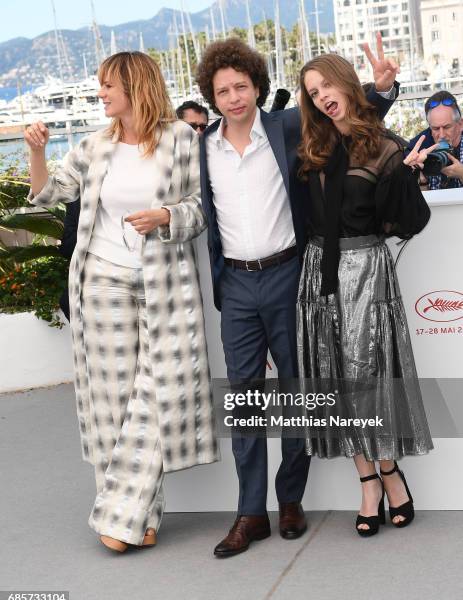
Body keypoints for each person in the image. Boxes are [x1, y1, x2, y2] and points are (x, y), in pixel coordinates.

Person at [196, 36, 398, 557]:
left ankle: (290, 500)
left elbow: (346, 120)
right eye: (223, 90)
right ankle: (249, 512)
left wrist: (382, 90)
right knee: (244, 398)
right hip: (237, 285)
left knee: (296, 392)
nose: (235, 97)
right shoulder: (200, 146)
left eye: (242, 86)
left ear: (257, 87)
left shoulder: (286, 128)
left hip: (290, 275)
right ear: (212, 96)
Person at [24, 51, 219, 553]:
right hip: (104, 281)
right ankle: (140, 518)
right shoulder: (93, 146)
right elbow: (46, 194)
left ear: (136, 85)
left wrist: (166, 216)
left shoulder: (180, 140)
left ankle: (121, 515)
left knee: (161, 391)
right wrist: (38, 152)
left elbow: (200, 210)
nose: (101, 93)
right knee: (112, 402)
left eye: (109, 85)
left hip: (165, 282)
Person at [294, 53, 434, 537]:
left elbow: (410, 222)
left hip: (368, 273)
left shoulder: (384, 146)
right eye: (313, 93)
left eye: (327, 85)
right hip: (318, 276)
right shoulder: (311, 143)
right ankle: (367, 481)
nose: (322, 97)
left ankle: (392, 473)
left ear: (347, 83)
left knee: (372, 378)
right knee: (335, 382)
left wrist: (405, 177)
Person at [408, 90, 463, 189]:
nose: (441, 135)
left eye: (447, 127)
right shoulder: (421, 147)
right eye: (436, 128)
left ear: (460, 124)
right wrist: (421, 178)